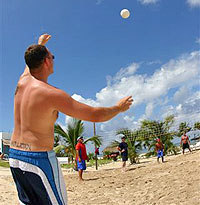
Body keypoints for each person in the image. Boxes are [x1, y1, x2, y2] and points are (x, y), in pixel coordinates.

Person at [9, 33, 133, 205]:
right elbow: (95, 114)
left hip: (14, 157)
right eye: (52, 56)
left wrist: (40, 44)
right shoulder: (50, 93)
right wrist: (118, 108)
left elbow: (29, 63)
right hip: (38, 160)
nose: (53, 59)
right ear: (46, 62)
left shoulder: (22, 81)